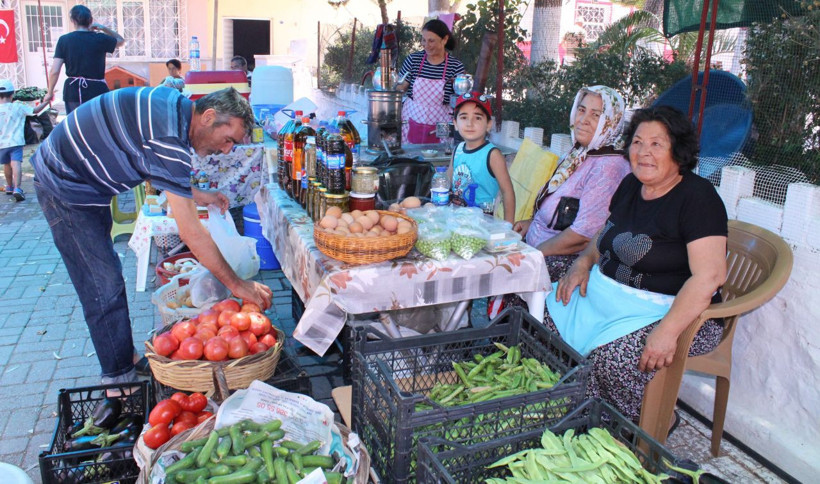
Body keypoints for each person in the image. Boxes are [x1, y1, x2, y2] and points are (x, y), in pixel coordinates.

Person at [31, 86, 274, 385]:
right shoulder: (170, 137)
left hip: (85, 181)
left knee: (106, 276)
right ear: (209, 116)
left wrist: (197, 195)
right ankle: (118, 382)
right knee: (101, 284)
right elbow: (192, 232)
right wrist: (237, 284)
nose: (225, 150)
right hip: (65, 185)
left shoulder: (175, 111)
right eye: (228, 140)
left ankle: (127, 359)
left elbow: (147, 157)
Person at [547, 105, 728, 425]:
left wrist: (667, 331)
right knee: (537, 291)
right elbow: (606, 233)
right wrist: (583, 262)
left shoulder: (698, 197)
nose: (644, 152)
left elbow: (709, 277)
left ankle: (643, 423)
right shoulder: (631, 184)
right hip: (613, 294)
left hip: (678, 312)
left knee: (612, 357)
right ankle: (573, 396)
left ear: (678, 150)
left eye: (657, 144)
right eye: (638, 142)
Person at [513, 86, 631, 279]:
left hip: (564, 264)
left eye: (596, 115)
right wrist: (533, 223)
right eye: (581, 110)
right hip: (539, 248)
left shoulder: (609, 166)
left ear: (611, 121)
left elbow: (582, 237)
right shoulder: (582, 152)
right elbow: (560, 208)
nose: (583, 120)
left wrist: (531, 255)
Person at [446, 91, 515, 223]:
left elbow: (507, 192)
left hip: (482, 224)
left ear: (488, 124)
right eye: (464, 117)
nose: (470, 123)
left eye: (477, 118)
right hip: (456, 220)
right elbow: (447, 180)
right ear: (455, 123)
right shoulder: (458, 150)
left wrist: (508, 228)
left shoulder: (492, 155)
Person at [42, 5, 125, 113]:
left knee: (74, 122)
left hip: (73, 91)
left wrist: (50, 92)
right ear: (90, 20)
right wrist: (103, 28)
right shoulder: (100, 38)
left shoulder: (64, 40)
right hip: (96, 90)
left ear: (72, 20)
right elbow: (121, 41)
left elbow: (54, 71)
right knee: (97, 121)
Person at [396, 19, 465, 144]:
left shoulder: (455, 66)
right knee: (410, 153)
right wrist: (390, 83)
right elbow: (401, 87)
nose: (426, 45)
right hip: (412, 118)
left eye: (431, 41)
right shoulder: (413, 60)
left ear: (444, 40)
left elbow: (461, 99)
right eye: (423, 40)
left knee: (441, 152)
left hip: (442, 121)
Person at [0, 80, 48, 201]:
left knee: (6, 165)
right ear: (12, 94)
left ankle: (9, 187)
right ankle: (17, 188)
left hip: (2, 143)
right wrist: (46, 102)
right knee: (16, 163)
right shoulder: (18, 107)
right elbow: (35, 111)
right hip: (16, 142)